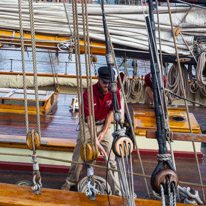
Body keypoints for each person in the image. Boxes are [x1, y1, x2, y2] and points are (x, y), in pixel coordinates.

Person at [61, 66, 121, 196]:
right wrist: (95, 141)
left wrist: (104, 133)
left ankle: (117, 190)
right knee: (80, 152)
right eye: (104, 81)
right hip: (89, 124)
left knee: (110, 157)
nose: (107, 84)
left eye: (109, 82)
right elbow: (89, 119)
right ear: (98, 78)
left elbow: (111, 112)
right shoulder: (88, 93)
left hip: (104, 124)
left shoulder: (114, 92)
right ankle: (71, 181)